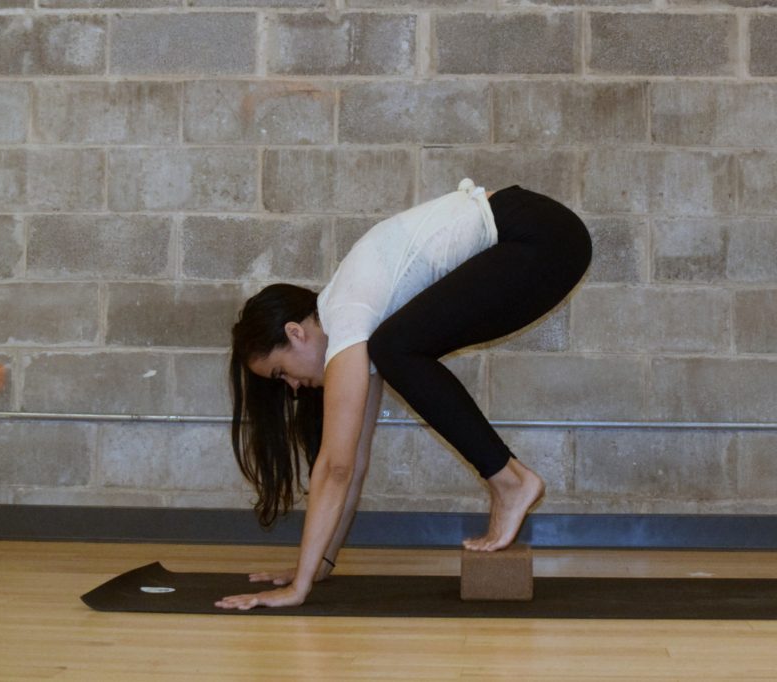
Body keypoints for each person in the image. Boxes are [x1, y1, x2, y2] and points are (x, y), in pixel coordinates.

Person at [216, 179, 592, 610]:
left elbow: (334, 468)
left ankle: (511, 480)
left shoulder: (349, 315)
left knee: (397, 347)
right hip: (545, 238)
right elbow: (352, 463)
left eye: (282, 372)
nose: (294, 387)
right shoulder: (363, 327)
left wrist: (295, 590)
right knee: (396, 347)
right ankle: (510, 479)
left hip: (539, 236)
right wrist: (316, 567)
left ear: (296, 333)